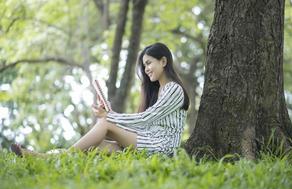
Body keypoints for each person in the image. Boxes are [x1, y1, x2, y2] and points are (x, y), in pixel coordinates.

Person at [11, 42, 190, 157]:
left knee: (105, 124)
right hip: (150, 142)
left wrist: (109, 117)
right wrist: (110, 113)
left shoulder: (173, 89)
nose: (146, 69)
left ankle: (51, 157)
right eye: (144, 65)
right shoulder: (159, 91)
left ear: (164, 62)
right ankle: (47, 156)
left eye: (149, 63)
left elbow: (145, 119)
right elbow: (143, 123)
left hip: (163, 148)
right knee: (98, 145)